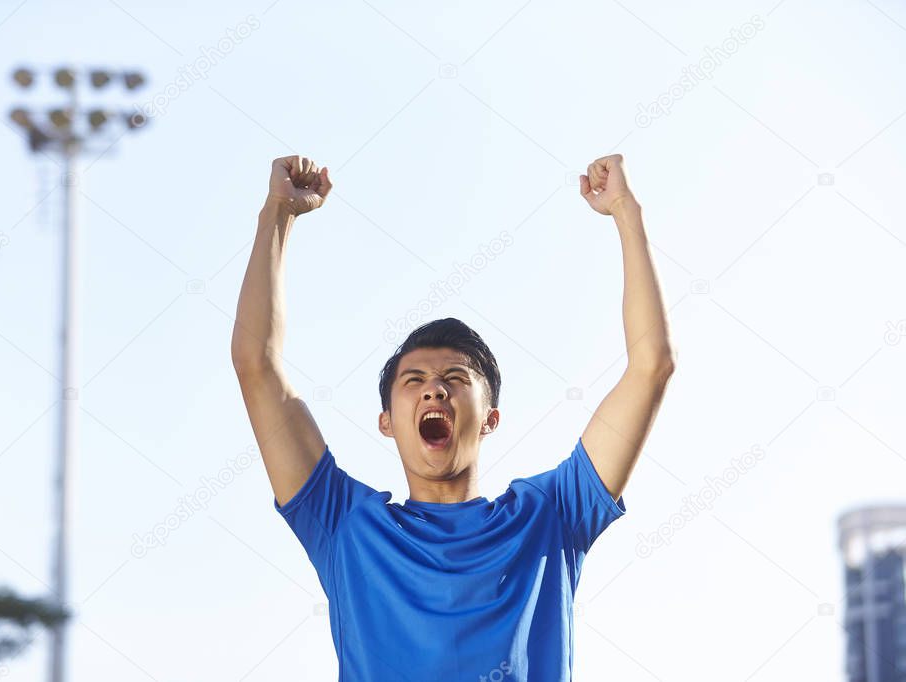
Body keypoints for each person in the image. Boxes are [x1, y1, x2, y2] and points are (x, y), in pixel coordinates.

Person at [231, 154, 675, 681]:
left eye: (457, 380)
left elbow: (652, 366)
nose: (434, 390)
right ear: (387, 421)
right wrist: (277, 213)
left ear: (489, 418)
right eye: (413, 381)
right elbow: (255, 365)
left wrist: (627, 212)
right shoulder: (345, 525)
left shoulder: (550, 517)